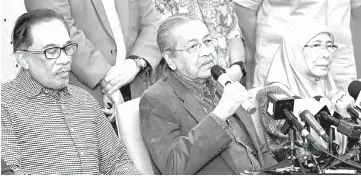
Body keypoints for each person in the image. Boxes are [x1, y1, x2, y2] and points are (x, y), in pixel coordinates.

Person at [1, 9, 140, 175]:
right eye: (51, 51)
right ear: (23, 59)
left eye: (67, 47)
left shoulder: (85, 101)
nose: (65, 59)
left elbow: (117, 161)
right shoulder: (5, 106)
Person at [139, 13, 277, 175]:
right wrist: (219, 115)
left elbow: (261, 150)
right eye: (193, 46)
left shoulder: (220, 82)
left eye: (207, 41)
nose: (206, 52)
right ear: (170, 59)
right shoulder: (156, 99)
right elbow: (172, 167)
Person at [24, 0, 162, 113]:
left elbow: (152, 24)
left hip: (134, 91)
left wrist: (135, 63)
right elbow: (54, 30)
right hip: (73, 98)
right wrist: (106, 79)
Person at [260, 19, 344, 161]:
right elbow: (285, 150)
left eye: (329, 46)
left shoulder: (330, 90)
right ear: (295, 49)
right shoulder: (274, 95)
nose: (326, 54)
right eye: (317, 45)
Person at [233, 0, 361, 89]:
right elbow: (245, 9)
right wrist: (257, 51)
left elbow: (356, 11)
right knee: (280, 123)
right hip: (283, 64)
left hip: (339, 66)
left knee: (345, 122)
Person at [153, 0, 247, 83]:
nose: (206, 52)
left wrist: (237, 67)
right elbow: (165, 43)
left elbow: (233, 33)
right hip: (186, 86)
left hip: (225, 78)